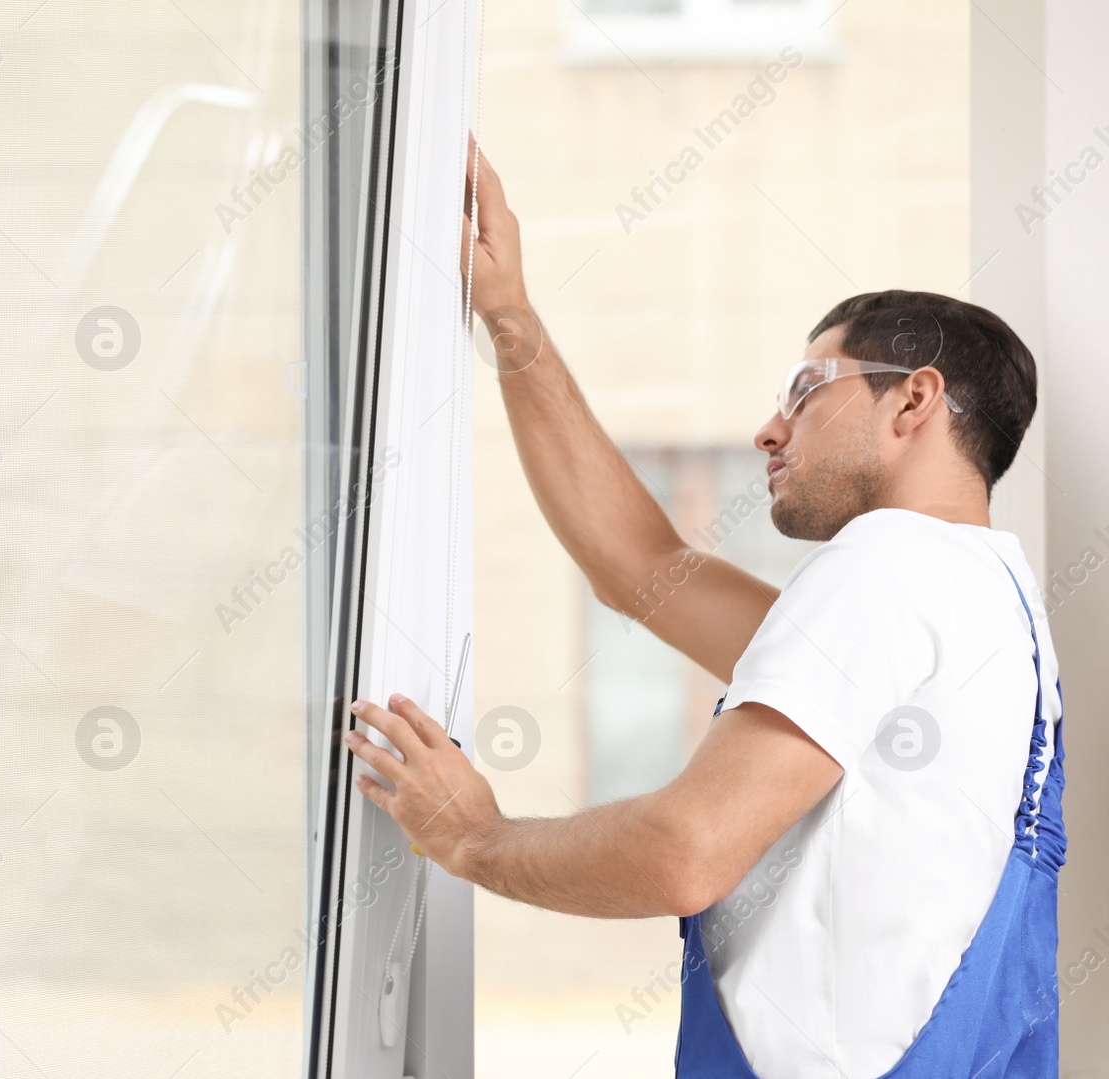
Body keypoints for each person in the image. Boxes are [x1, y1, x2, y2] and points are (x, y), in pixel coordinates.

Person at [344, 146, 1063, 1078]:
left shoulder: (889, 563)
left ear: (915, 398)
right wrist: (510, 320)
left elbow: (686, 852)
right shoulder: (988, 605)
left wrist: (474, 837)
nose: (769, 429)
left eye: (806, 391)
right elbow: (640, 566)